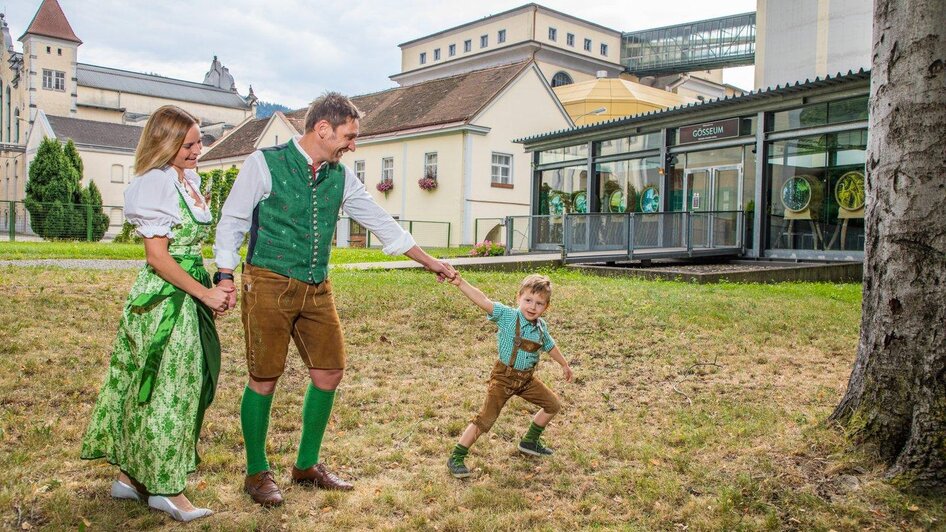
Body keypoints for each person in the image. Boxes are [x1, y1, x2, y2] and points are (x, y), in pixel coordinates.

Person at [213, 92, 456, 507]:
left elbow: (379, 219)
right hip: (268, 281)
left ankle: (306, 465)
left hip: (317, 285)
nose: (352, 145)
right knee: (264, 377)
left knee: (329, 371)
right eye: (349, 136)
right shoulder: (263, 164)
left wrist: (428, 261)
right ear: (322, 129)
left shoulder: (340, 176)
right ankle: (256, 472)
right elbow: (233, 220)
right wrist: (225, 274)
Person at [81, 106, 233, 522]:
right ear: (164, 143)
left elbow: (186, 250)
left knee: (154, 387)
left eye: (199, 141)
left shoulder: (186, 180)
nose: (197, 150)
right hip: (165, 300)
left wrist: (218, 284)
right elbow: (158, 258)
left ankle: (129, 478)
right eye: (188, 145)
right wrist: (205, 293)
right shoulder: (156, 184)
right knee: (170, 390)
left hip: (185, 290)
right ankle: (166, 490)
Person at [446, 273, 574, 479]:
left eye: (539, 303)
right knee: (485, 420)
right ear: (519, 298)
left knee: (553, 405)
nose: (533, 307)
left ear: (546, 307)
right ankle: (457, 456)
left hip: (526, 380)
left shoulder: (541, 327)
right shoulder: (508, 316)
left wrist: (564, 364)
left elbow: (549, 345)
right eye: (528, 300)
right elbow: (484, 301)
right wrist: (461, 283)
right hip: (503, 378)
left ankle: (530, 442)